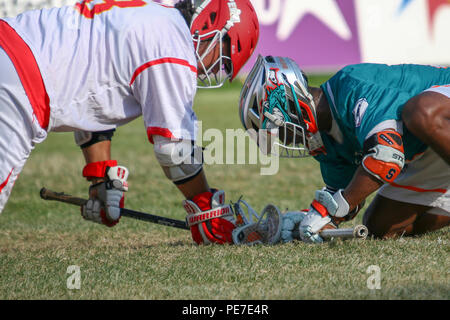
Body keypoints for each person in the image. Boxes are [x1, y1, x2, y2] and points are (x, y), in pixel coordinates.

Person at [0, 0, 259, 245]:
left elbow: (92, 90)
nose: (215, 70)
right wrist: (205, 205)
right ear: (210, 22)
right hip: (19, 80)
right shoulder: (173, 44)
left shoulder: (155, 16)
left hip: (12, 42)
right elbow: (175, 151)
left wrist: (100, 177)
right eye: (222, 55)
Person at [239, 55, 450, 243]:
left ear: (291, 105)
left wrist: (334, 209)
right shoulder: (324, 144)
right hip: (434, 146)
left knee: (422, 113)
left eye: (278, 129)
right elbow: (346, 197)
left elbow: (386, 159)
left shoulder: (351, 86)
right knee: (379, 226)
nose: (284, 139)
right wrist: (310, 218)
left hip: (441, 112)